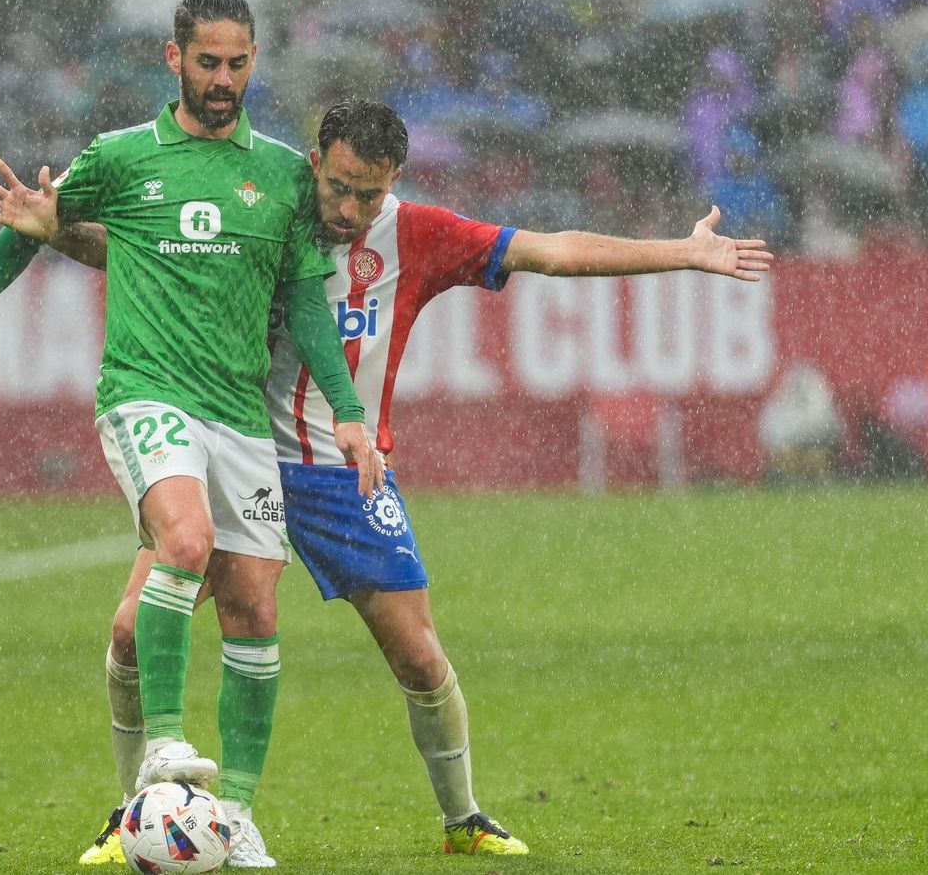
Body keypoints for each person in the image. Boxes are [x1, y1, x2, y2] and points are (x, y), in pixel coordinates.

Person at [45, 100, 772, 863]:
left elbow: (550, 250)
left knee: (420, 657)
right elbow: (145, 245)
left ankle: (464, 819)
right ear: (315, 160)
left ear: (395, 181)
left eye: (371, 193)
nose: (352, 210)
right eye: (339, 188)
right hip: (234, 453)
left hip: (343, 477)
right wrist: (53, 228)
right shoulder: (264, 195)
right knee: (132, 629)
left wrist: (681, 253)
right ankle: (132, 813)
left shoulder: (417, 235)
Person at [0, 0, 382, 868]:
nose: (222, 79)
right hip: (146, 393)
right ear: (173, 59)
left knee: (252, 605)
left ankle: (236, 814)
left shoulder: (285, 172)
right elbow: (33, 226)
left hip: (239, 413)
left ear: (254, 60)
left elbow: (303, 301)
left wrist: (351, 416)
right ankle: (164, 753)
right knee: (184, 540)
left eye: (237, 63)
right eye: (206, 62)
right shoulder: (124, 157)